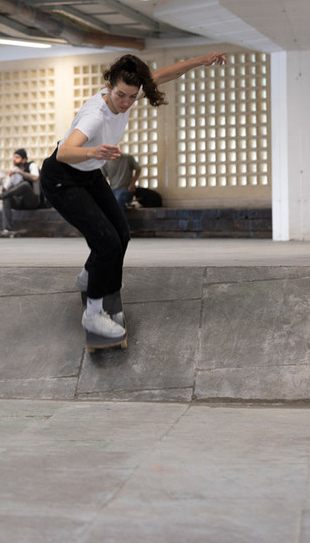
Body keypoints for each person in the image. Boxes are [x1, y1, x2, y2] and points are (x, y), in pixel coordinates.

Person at [39, 51, 227, 340]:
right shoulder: (95, 116)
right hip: (62, 178)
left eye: (132, 96)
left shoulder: (130, 90)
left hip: (89, 175)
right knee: (107, 242)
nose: (126, 102)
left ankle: (89, 277)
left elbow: (167, 73)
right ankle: (92, 315)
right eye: (120, 95)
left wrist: (200, 61)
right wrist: (94, 151)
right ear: (109, 85)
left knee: (122, 234)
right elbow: (64, 153)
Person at [0, 148, 40, 235]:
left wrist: (20, 172)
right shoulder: (13, 171)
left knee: (25, 185)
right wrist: (0, 184)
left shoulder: (31, 165)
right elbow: (6, 190)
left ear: (24, 160)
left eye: (17, 157)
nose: (14, 159)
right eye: (14, 157)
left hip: (32, 201)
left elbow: (35, 178)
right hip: (19, 202)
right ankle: (7, 229)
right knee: (6, 198)